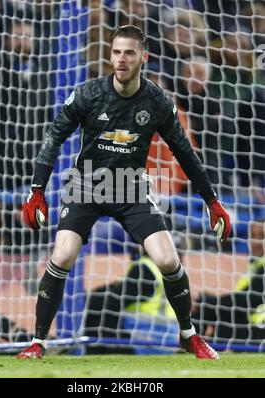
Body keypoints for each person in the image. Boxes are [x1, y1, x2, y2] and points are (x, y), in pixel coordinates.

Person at [17, 25, 231, 360]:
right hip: (86, 185)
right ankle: (38, 343)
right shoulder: (89, 94)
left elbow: (185, 153)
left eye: (129, 52)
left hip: (131, 186)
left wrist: (212, 201)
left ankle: (188, 336)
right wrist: (36, 191)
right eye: (116, 52)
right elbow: (54, 136)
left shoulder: (157, 101)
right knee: (61, 256)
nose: (121, 59)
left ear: (143, 57)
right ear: (110, 55)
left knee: (167, 259)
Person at [82, 248, 178, 355]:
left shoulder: (145, 268)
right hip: (169, 341)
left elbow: (114, 301)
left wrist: (84, 300)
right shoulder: (169, 270)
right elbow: (119, 288)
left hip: (144, 340)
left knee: (100, 315)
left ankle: (82, 351)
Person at [192, 219, 265, 344]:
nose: (255, 242)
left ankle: (194, 348)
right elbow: (242, 298)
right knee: (212, 313)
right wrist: (206, 300)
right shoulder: (256, 266)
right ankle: (193, 347)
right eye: (253, 236)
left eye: (262, 237)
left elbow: (248, 300)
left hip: (259, 328)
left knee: (209, 310)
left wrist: (205, 301)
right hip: (251, 323)